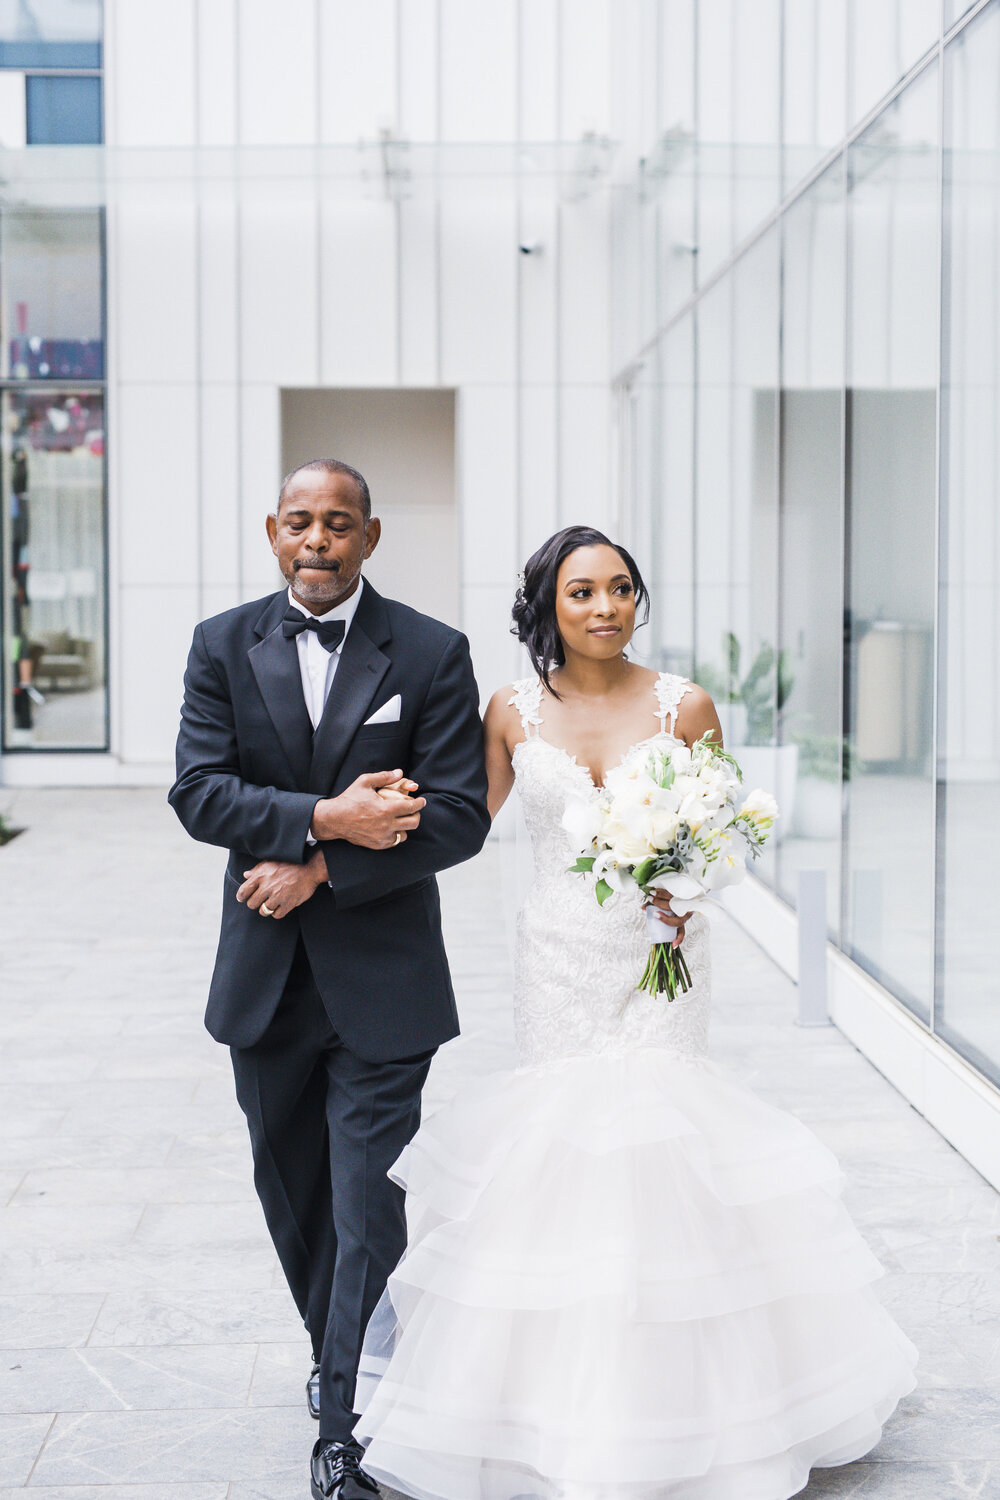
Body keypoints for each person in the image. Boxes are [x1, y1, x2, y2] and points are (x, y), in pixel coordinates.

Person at [353, 524, 917, 1500]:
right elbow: (459, 824)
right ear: (548, 607)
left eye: (619, 588)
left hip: (662, 950)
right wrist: (341, 848)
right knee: (565, 1145)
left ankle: (696, 1408)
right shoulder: (511, 710)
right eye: (581, 592)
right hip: (560, 954)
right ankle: (558, 1409)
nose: (604, 607)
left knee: (662, 1134)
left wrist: (685, 887)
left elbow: (723, 830)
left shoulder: (683, 704)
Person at [168, 459, 490, 1500]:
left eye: (338, 523)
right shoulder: (222, 644)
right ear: (274, 531)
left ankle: (349, 1429)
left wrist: (323, 864)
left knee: (366, 1211)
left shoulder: (431, 653)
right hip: (264, 980)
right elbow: (198, 791)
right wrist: (323, 815)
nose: (319, 540)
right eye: (300, 522)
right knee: (296, 1197)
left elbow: (456, 815)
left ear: (370, 536)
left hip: (383, 983)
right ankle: (336, 1355)